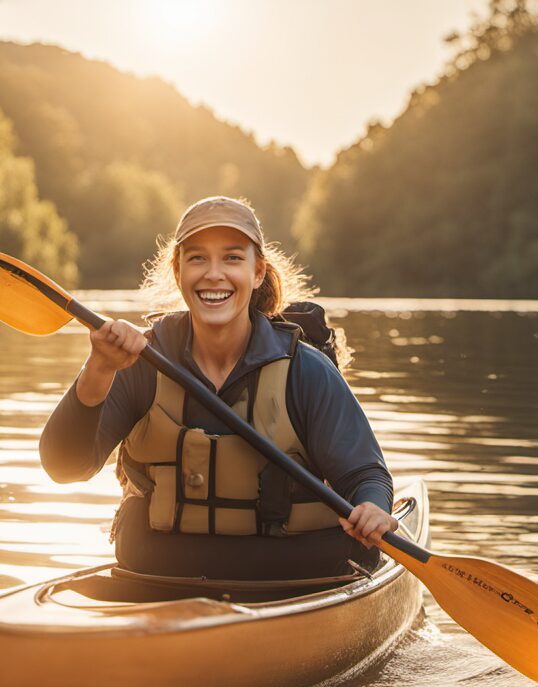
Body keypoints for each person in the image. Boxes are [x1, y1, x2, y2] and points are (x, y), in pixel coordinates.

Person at [40, 195, 398, 581]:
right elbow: (65, 467)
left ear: (257, 272)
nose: (214, 274)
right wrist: (99, 368)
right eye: (197, 258)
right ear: (178, 272)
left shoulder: (305, 371)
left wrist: (374, 508)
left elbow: (366, 476)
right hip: (159, 573)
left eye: (231, 258)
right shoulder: (139, 364)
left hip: (293, 575)